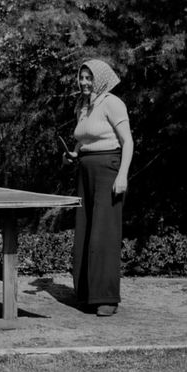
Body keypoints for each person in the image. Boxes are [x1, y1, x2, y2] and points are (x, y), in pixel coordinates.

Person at [63, 59, 133, 317]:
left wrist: (122, 175)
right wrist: (73, 154)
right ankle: (86, 293)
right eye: (81, 77)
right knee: (84, 229)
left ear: (100, 79)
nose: (83, 82)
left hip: (109, 170)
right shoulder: (83, 106)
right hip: (85, 171)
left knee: (104, 232)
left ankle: (105, 298)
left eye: (89, 78)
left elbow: (127, 141)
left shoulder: (113, 103)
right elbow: (85, 139)